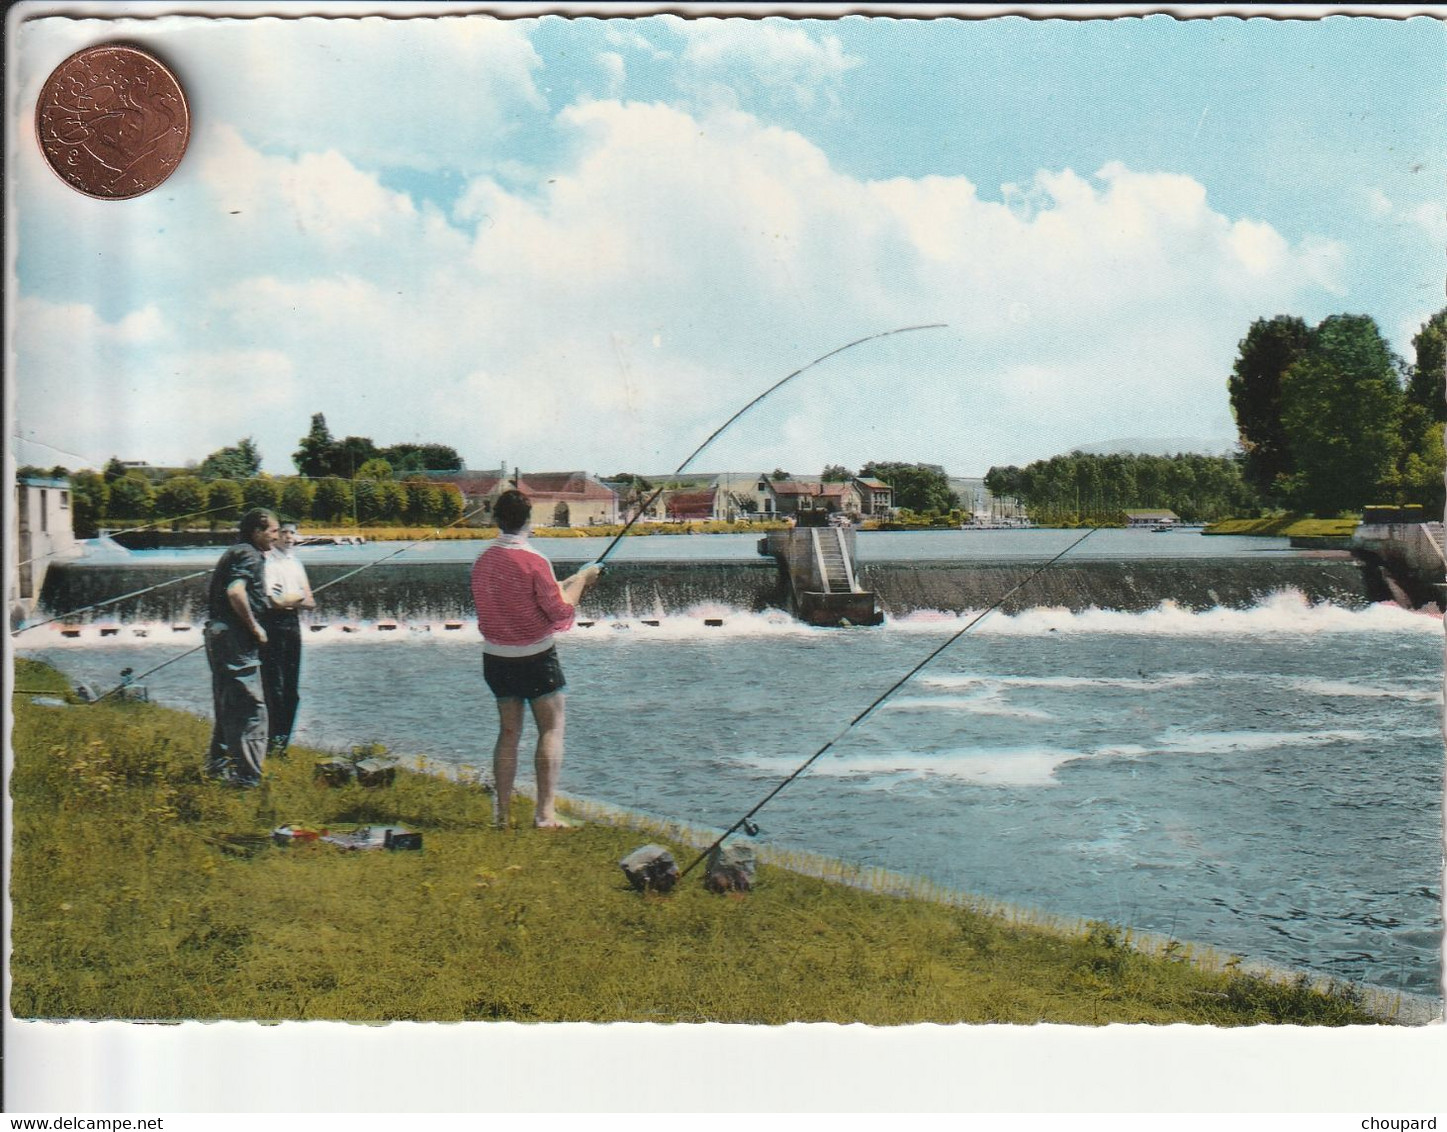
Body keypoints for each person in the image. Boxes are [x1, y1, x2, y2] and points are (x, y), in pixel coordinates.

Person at [470, 489, 601, 829]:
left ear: (497, 519)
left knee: (508, 733)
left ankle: (501, 814)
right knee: (551, 729)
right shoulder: (535, 560)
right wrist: (584, 580)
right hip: (535, 658)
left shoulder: (482, 560)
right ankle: (544, 815)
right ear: (529, 520)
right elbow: (559, 609)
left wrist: (568, 581)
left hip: (496, 659)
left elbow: (516, 597)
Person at [204, 508, 278, 787]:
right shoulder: (249, 554)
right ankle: (247, 778)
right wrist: (255, 627)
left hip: (220, 634)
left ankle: (217, 768)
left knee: (228, 704)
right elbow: (236, 591)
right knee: (251, 708)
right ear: (257, 532)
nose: (277, 536)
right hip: (235, 639)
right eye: (273, 531)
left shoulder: (238, 551)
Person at [260, 521, 315, 756]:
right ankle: (271, 742)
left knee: (292, 691)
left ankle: (282, 745)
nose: (289, 537)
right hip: (273, 625)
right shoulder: (268, 561)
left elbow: (310, 601)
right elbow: (274, 601)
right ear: (275, 535)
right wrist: (297, 599)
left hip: (293, 624)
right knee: (276, 688)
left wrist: (293, 599)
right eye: (283, 532)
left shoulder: (296, 562)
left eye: (292, 533)